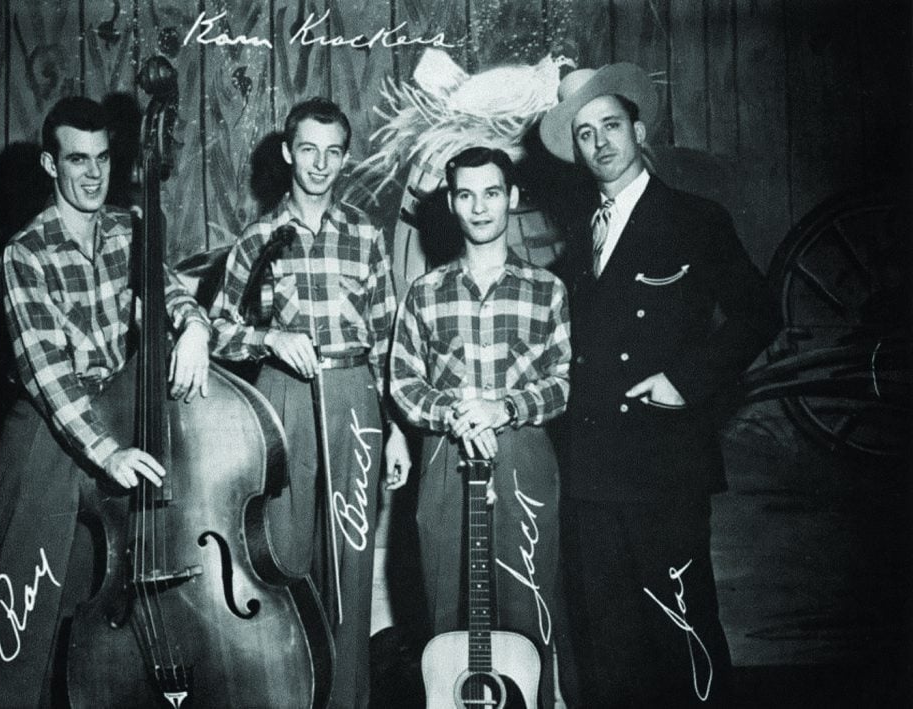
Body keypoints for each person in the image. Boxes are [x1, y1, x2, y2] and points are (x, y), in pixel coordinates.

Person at [540, 64, 782, 706]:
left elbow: (760, 311)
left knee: (682, 628)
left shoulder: (694, 219)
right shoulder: (580, 238)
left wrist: (686, 379)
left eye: (610, 126)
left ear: (639, 129)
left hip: (664, 464)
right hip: (590, 472)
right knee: (608, 642)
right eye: (585, 134)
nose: (600, 144)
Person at [0, 96, 211, 708]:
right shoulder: (24, 255)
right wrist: (107, 452)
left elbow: (173, 293)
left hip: (117, 431)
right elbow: (48, 374)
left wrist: (195, 328)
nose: (93, 174)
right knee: (25, 628)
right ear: (51, 166)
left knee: (94, 613)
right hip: (48, 444)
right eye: (77, 160)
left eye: (103, 158)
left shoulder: (131, 228)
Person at [209, 97, 412, 708]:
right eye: (307, 150)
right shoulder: (258, 238)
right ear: (286, 153)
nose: (319, 164)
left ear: (344, 157)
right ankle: (293, 696)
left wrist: (397, 429)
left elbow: (388, 339)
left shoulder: (365, 235)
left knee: (351, 561)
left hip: (356, 398)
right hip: (284, 398)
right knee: (287, 556)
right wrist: (271, 337)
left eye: (332, 152)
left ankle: (349, 699)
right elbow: (218, 328)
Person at [390, 146, 572, 707]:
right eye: (465, 194)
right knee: (448, 605)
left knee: (531, 603)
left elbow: (563, 381)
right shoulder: (425, 292)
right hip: (447, 456)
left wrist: (505, 408)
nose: (479, 206)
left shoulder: (547, 289)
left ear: (511, 198)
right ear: (451, 203)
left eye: (492, 192)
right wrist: (452, 414)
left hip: (523, 454)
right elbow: (401, 379)